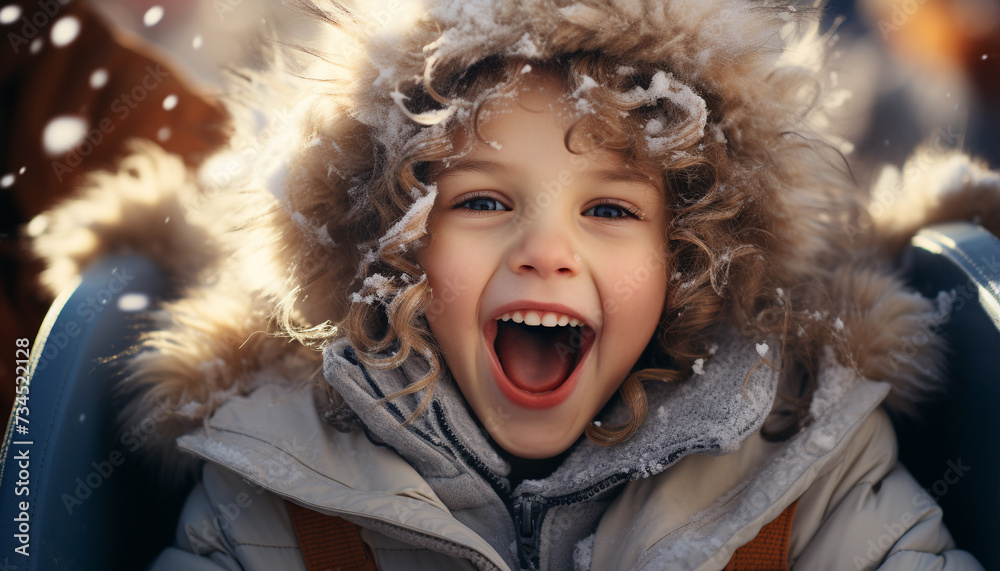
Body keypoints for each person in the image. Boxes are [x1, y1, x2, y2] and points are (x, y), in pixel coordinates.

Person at [28, 0, 996, 569]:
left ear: (693, 255)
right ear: (393, 245)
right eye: (484, 202)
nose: (546, 251)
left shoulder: (807, 452)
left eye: (610, 211)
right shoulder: (273, 470)